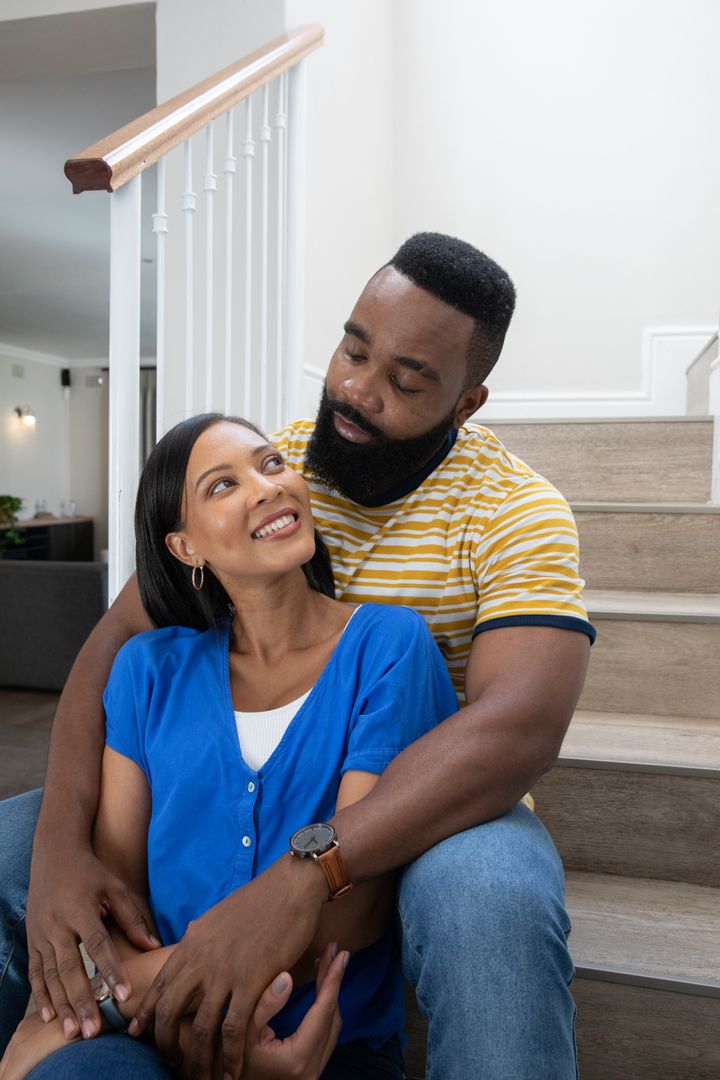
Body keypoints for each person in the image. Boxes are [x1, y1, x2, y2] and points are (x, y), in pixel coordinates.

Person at [0, 232, 594, 1080]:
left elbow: (520, 726)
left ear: (466, 404)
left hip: (440, 803)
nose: (356, 389)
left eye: (405, 379)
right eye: (354, 348)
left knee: (487, 896)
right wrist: (62, 850)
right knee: (11, 849)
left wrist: (307, 869)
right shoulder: (279, 472)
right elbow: (114, 651)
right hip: (274, 800)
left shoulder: (515, 511)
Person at [0, 412, 458, 1080]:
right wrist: (179, 1025)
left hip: (321, 1045)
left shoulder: (389, 646)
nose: (267, 487)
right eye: (222, 485)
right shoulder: (147, 670)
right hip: (149, 1037)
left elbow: (354, 910)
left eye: (272, 464)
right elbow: (121, 903)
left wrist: (113, 1004)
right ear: (186, 548)